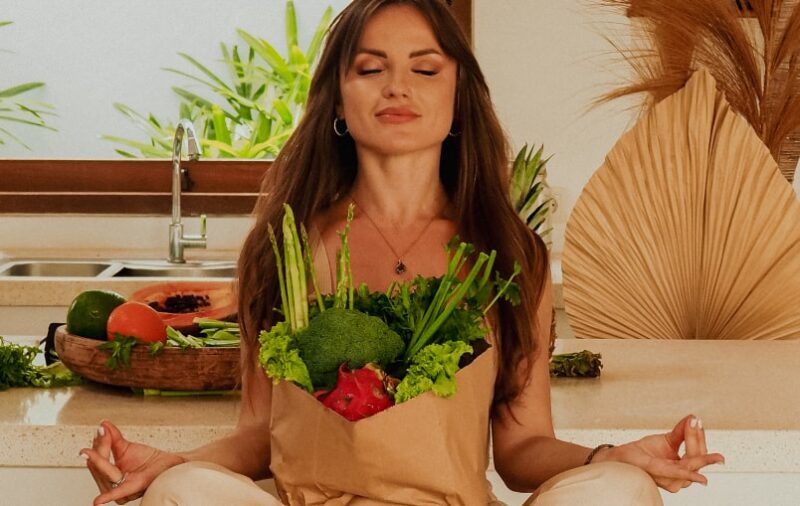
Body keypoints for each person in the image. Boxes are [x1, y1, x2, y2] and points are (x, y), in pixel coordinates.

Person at [80, 1, 725, 504]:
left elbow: (522, 446)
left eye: (424, 68)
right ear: (337, 98)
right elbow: (259, 434)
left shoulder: (507, 254)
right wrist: (175, 465)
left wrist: (606, 458)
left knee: (623, 493)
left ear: (457, 99)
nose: (397, 87)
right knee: (180, 493)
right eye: (370, 68)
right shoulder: (284, 249)